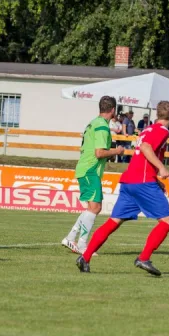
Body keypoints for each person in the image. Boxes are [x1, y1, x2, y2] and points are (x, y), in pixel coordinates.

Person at [75, 101, 169, 276]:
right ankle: (144, 258)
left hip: (130, 181)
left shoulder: (147, 129)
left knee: (114, 222)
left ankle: (85, 256)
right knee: (167, 222)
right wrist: (161, 168)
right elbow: (145, 148)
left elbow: (142, 152)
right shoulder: (162, 131)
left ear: (157, 114)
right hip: (143, 183)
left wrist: (155, 178)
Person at [62, 96, 125, 255]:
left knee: (91, 208)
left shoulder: (93, 122)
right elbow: (99, 152)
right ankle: (82, 245)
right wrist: (116, 151)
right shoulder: (103, 127)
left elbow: (96, 149)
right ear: (112, 110)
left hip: (85, 168)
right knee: (95, 207)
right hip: (90, 170)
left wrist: (108, 154)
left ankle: (71, 237)